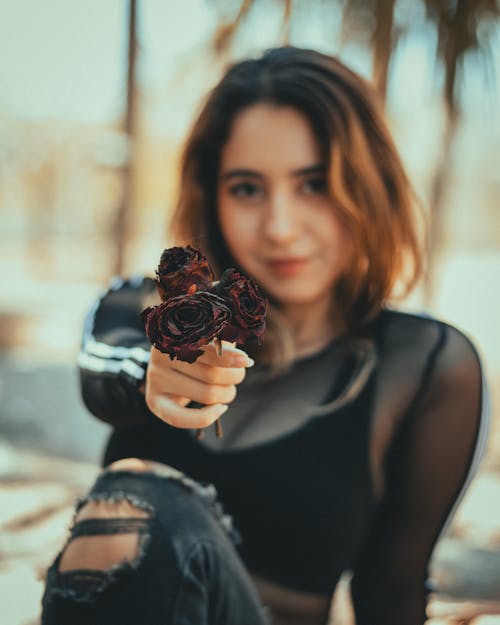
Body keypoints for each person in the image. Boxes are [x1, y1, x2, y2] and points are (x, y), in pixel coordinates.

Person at [40, 47, 489, 625]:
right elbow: (103, 365)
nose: (280, 227)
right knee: (139, 502)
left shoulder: (424, 365)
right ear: (212, 193)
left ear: (367, 187)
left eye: (314, 184)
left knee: (144, 501)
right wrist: (150, 372)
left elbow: (391, 594)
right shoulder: (141, 306)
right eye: (247, 188)